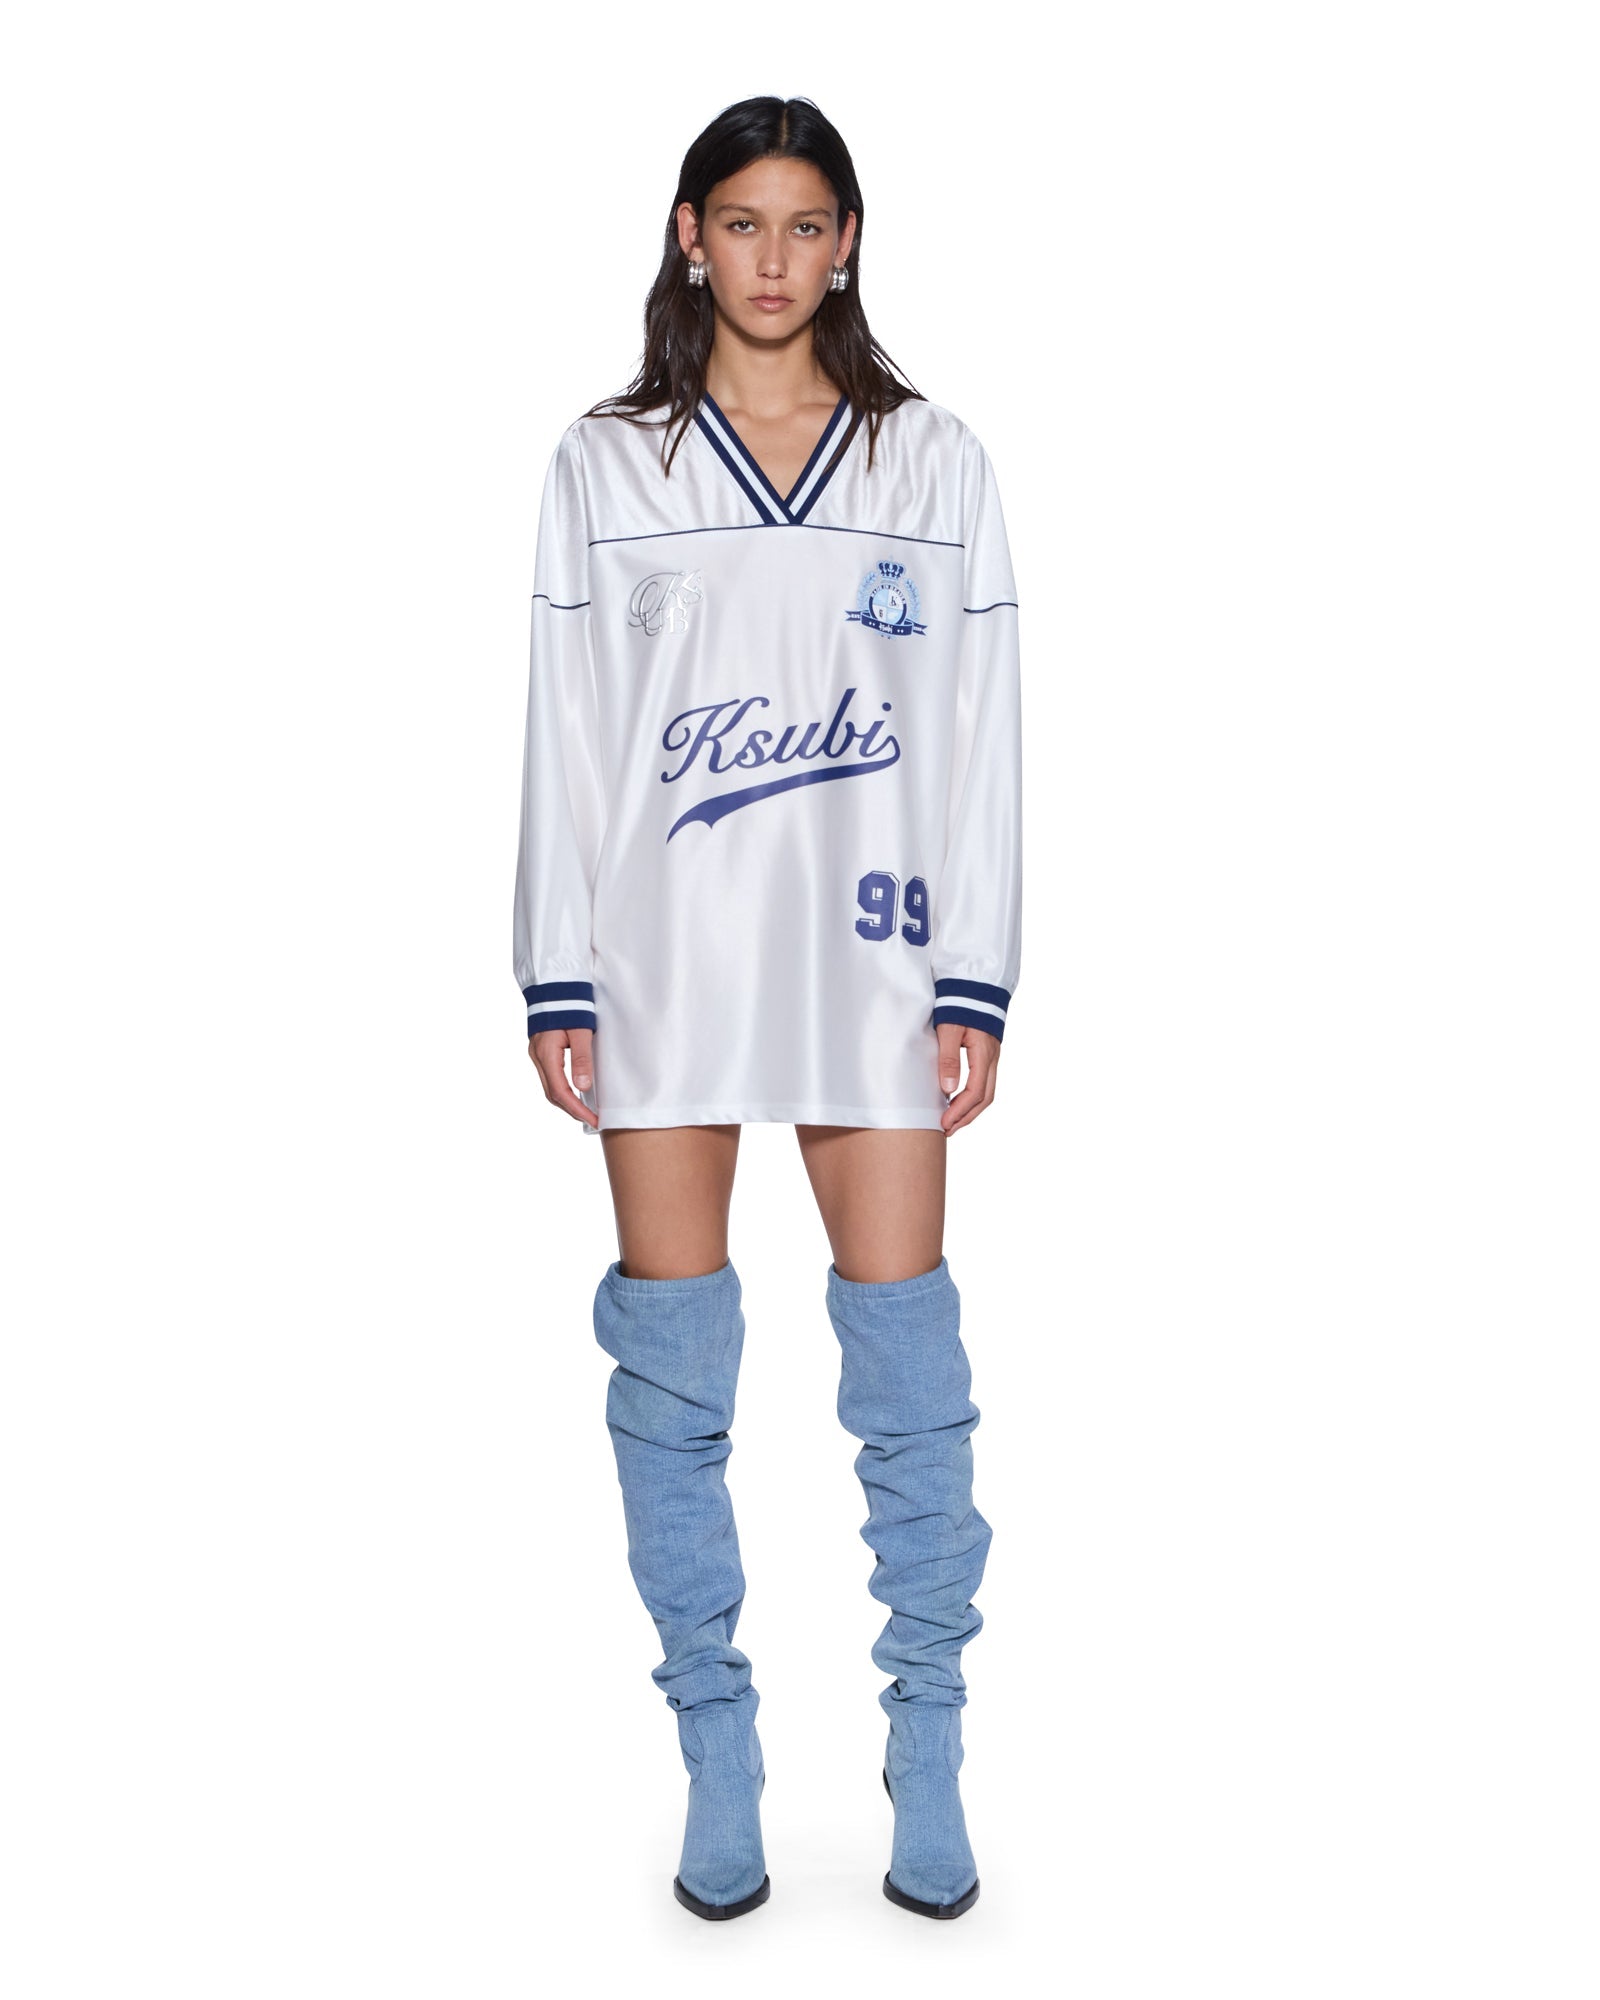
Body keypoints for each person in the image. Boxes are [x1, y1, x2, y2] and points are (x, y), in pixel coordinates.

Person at [511, 95, 1022, 1922]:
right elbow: (567, 727)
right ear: (689, 234)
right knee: (672, 1377)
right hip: (663, 960)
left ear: (849, 243)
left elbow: (983, 730)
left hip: (872, 958)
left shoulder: (931, 460)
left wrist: (978, 973)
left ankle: (927, 1739)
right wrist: (554, 967)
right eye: (744, 223)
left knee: (910, 1376)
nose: (776, 258)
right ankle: (716, 1742)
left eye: (809, 225)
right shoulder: (609, 463)